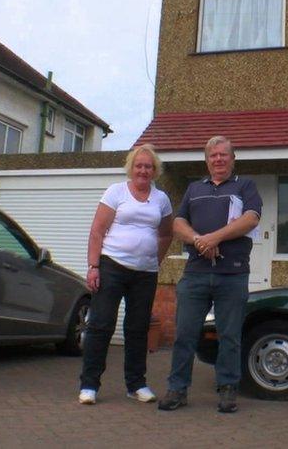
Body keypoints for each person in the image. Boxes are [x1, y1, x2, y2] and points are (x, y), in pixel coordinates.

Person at [158, 135, 261, 413]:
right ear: (207, 160)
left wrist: (213, 238)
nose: (218, 159)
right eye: (213, 155)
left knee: (230, 336)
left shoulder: (245, 186)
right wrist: (199, 241)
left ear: (232, 158)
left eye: (223, 155)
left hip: (233, 275)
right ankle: (177, 389)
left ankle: (228, 389)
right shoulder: (194, 189)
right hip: (195, 275)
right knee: (185, 334)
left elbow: (251, 218)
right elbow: (178, 223)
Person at [78, 144, 173, 405]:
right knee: (100, 325)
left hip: (145, 273)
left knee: (137, 328)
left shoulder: (161, 199)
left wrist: (155, 258)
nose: (143, 170)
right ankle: (89, 385)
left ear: (155, 171)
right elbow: (97, 231)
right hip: (112, 266)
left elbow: (166, 233)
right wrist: (94, 266)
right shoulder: (116, 192)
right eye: (139, 165)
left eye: (149, 166)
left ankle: (136, 384)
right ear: (131, 168)